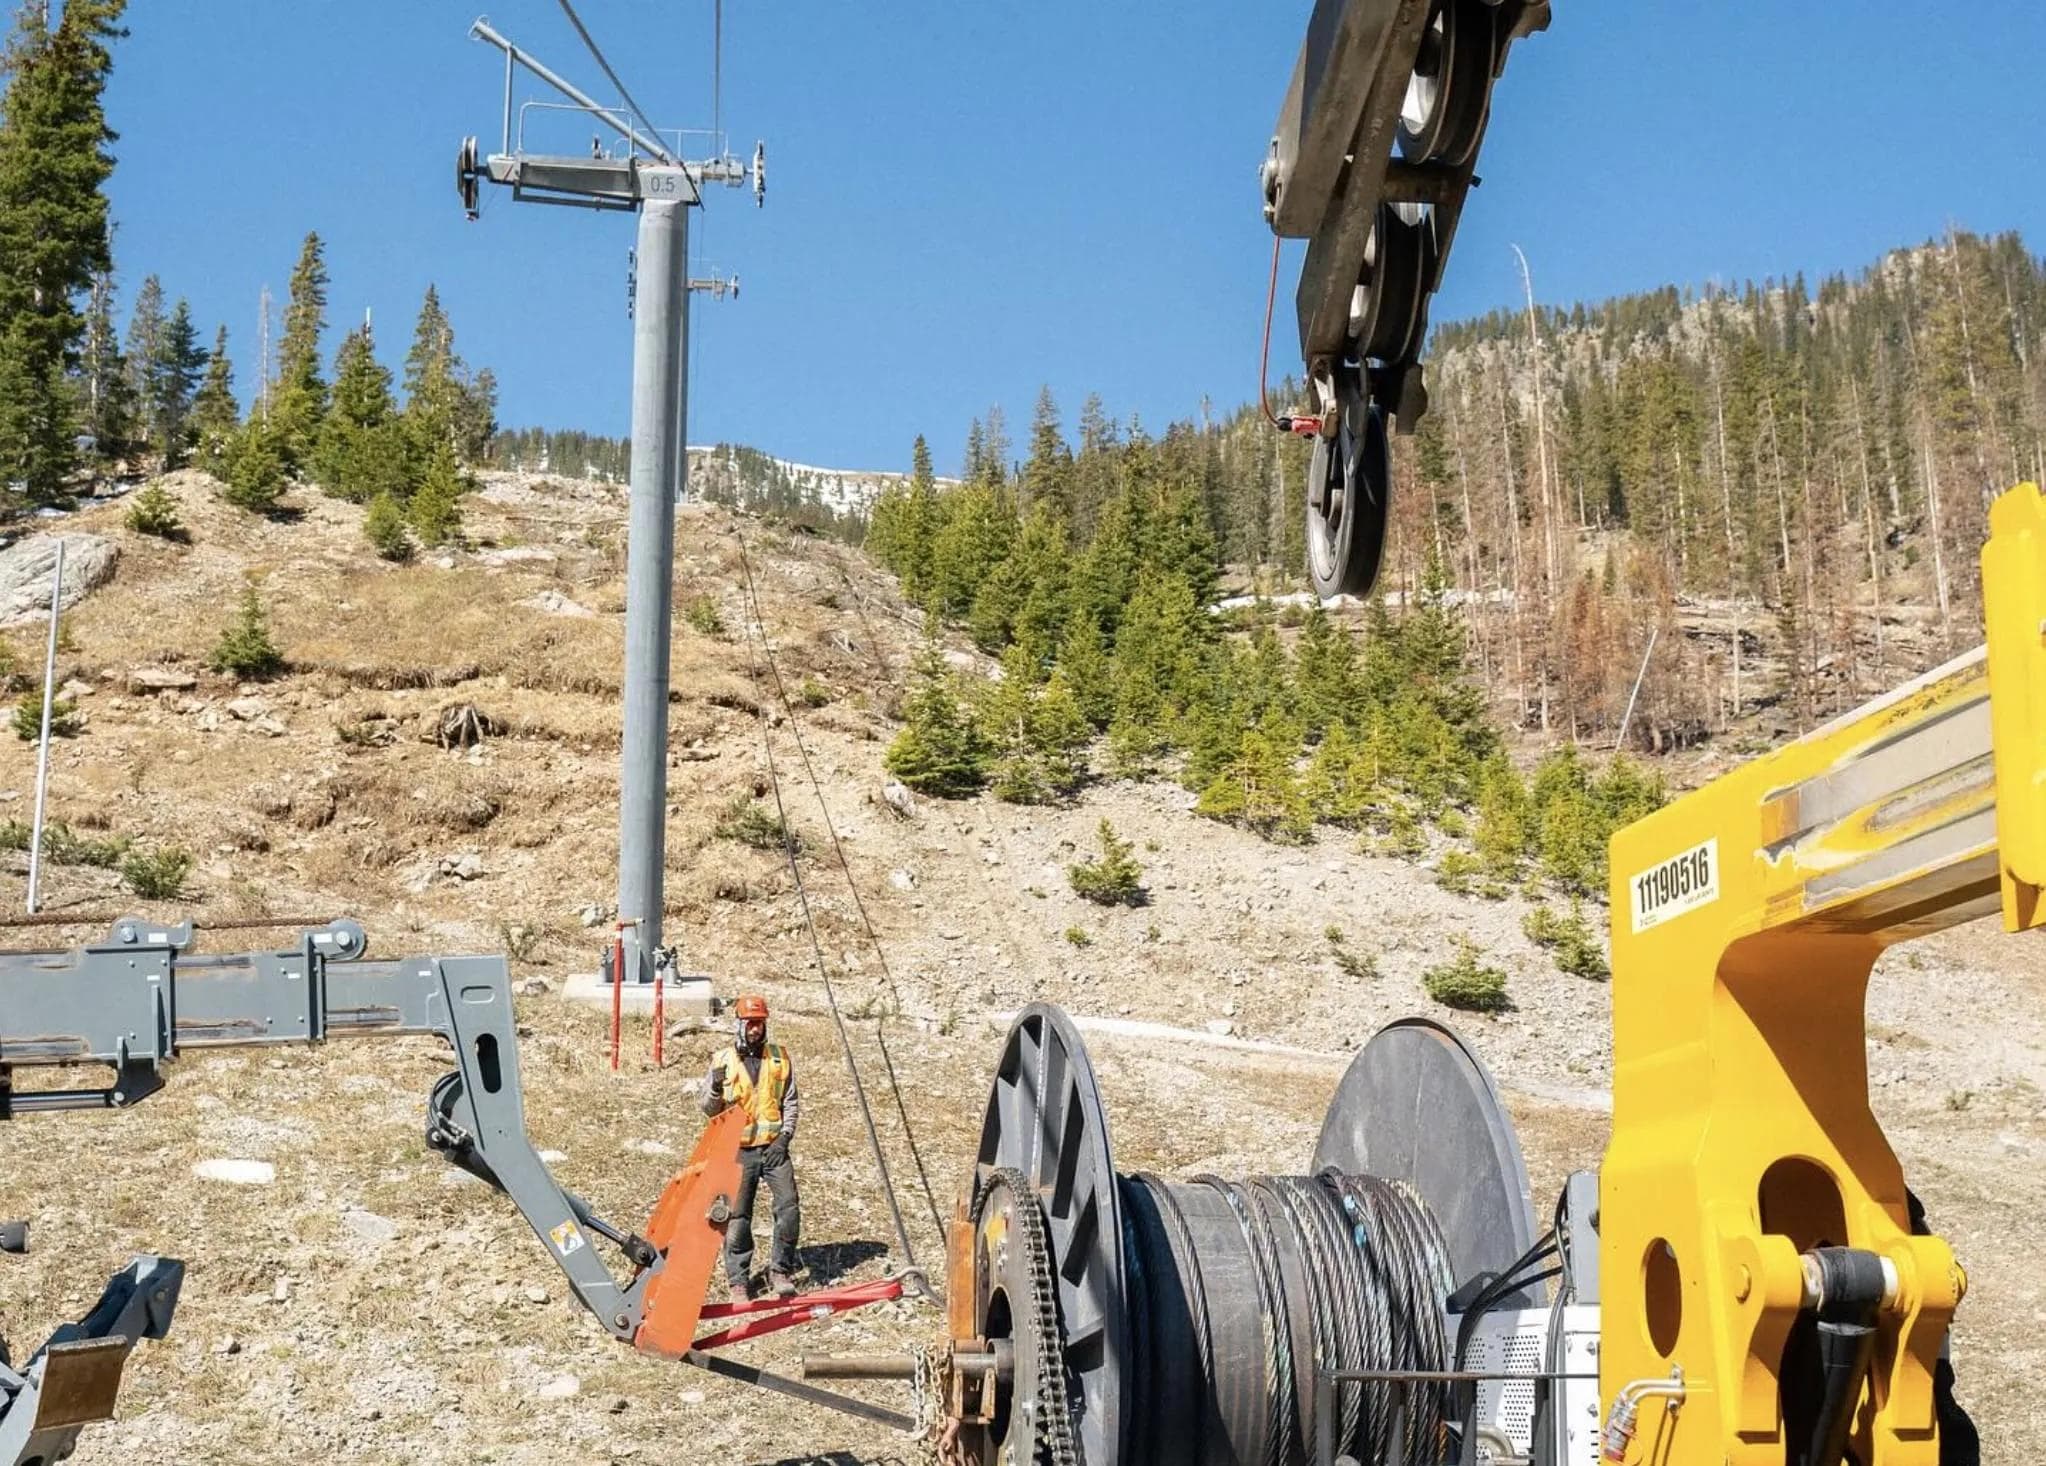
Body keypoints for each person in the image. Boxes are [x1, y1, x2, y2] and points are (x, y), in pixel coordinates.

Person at [700, 993, 802, 1302]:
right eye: (750, 1024)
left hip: (774, 1150)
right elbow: (708, 1109)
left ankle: (780, 1271)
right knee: (738, 1217)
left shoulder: (779, 1058)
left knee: (789, 1210)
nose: (756, 1029)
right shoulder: (722, 1061)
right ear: (739, 1026)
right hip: (739, 1152)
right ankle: (739, 1282)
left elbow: (791, 1102)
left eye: (760, 1023)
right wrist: (716, 1087)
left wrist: (784, 1137)